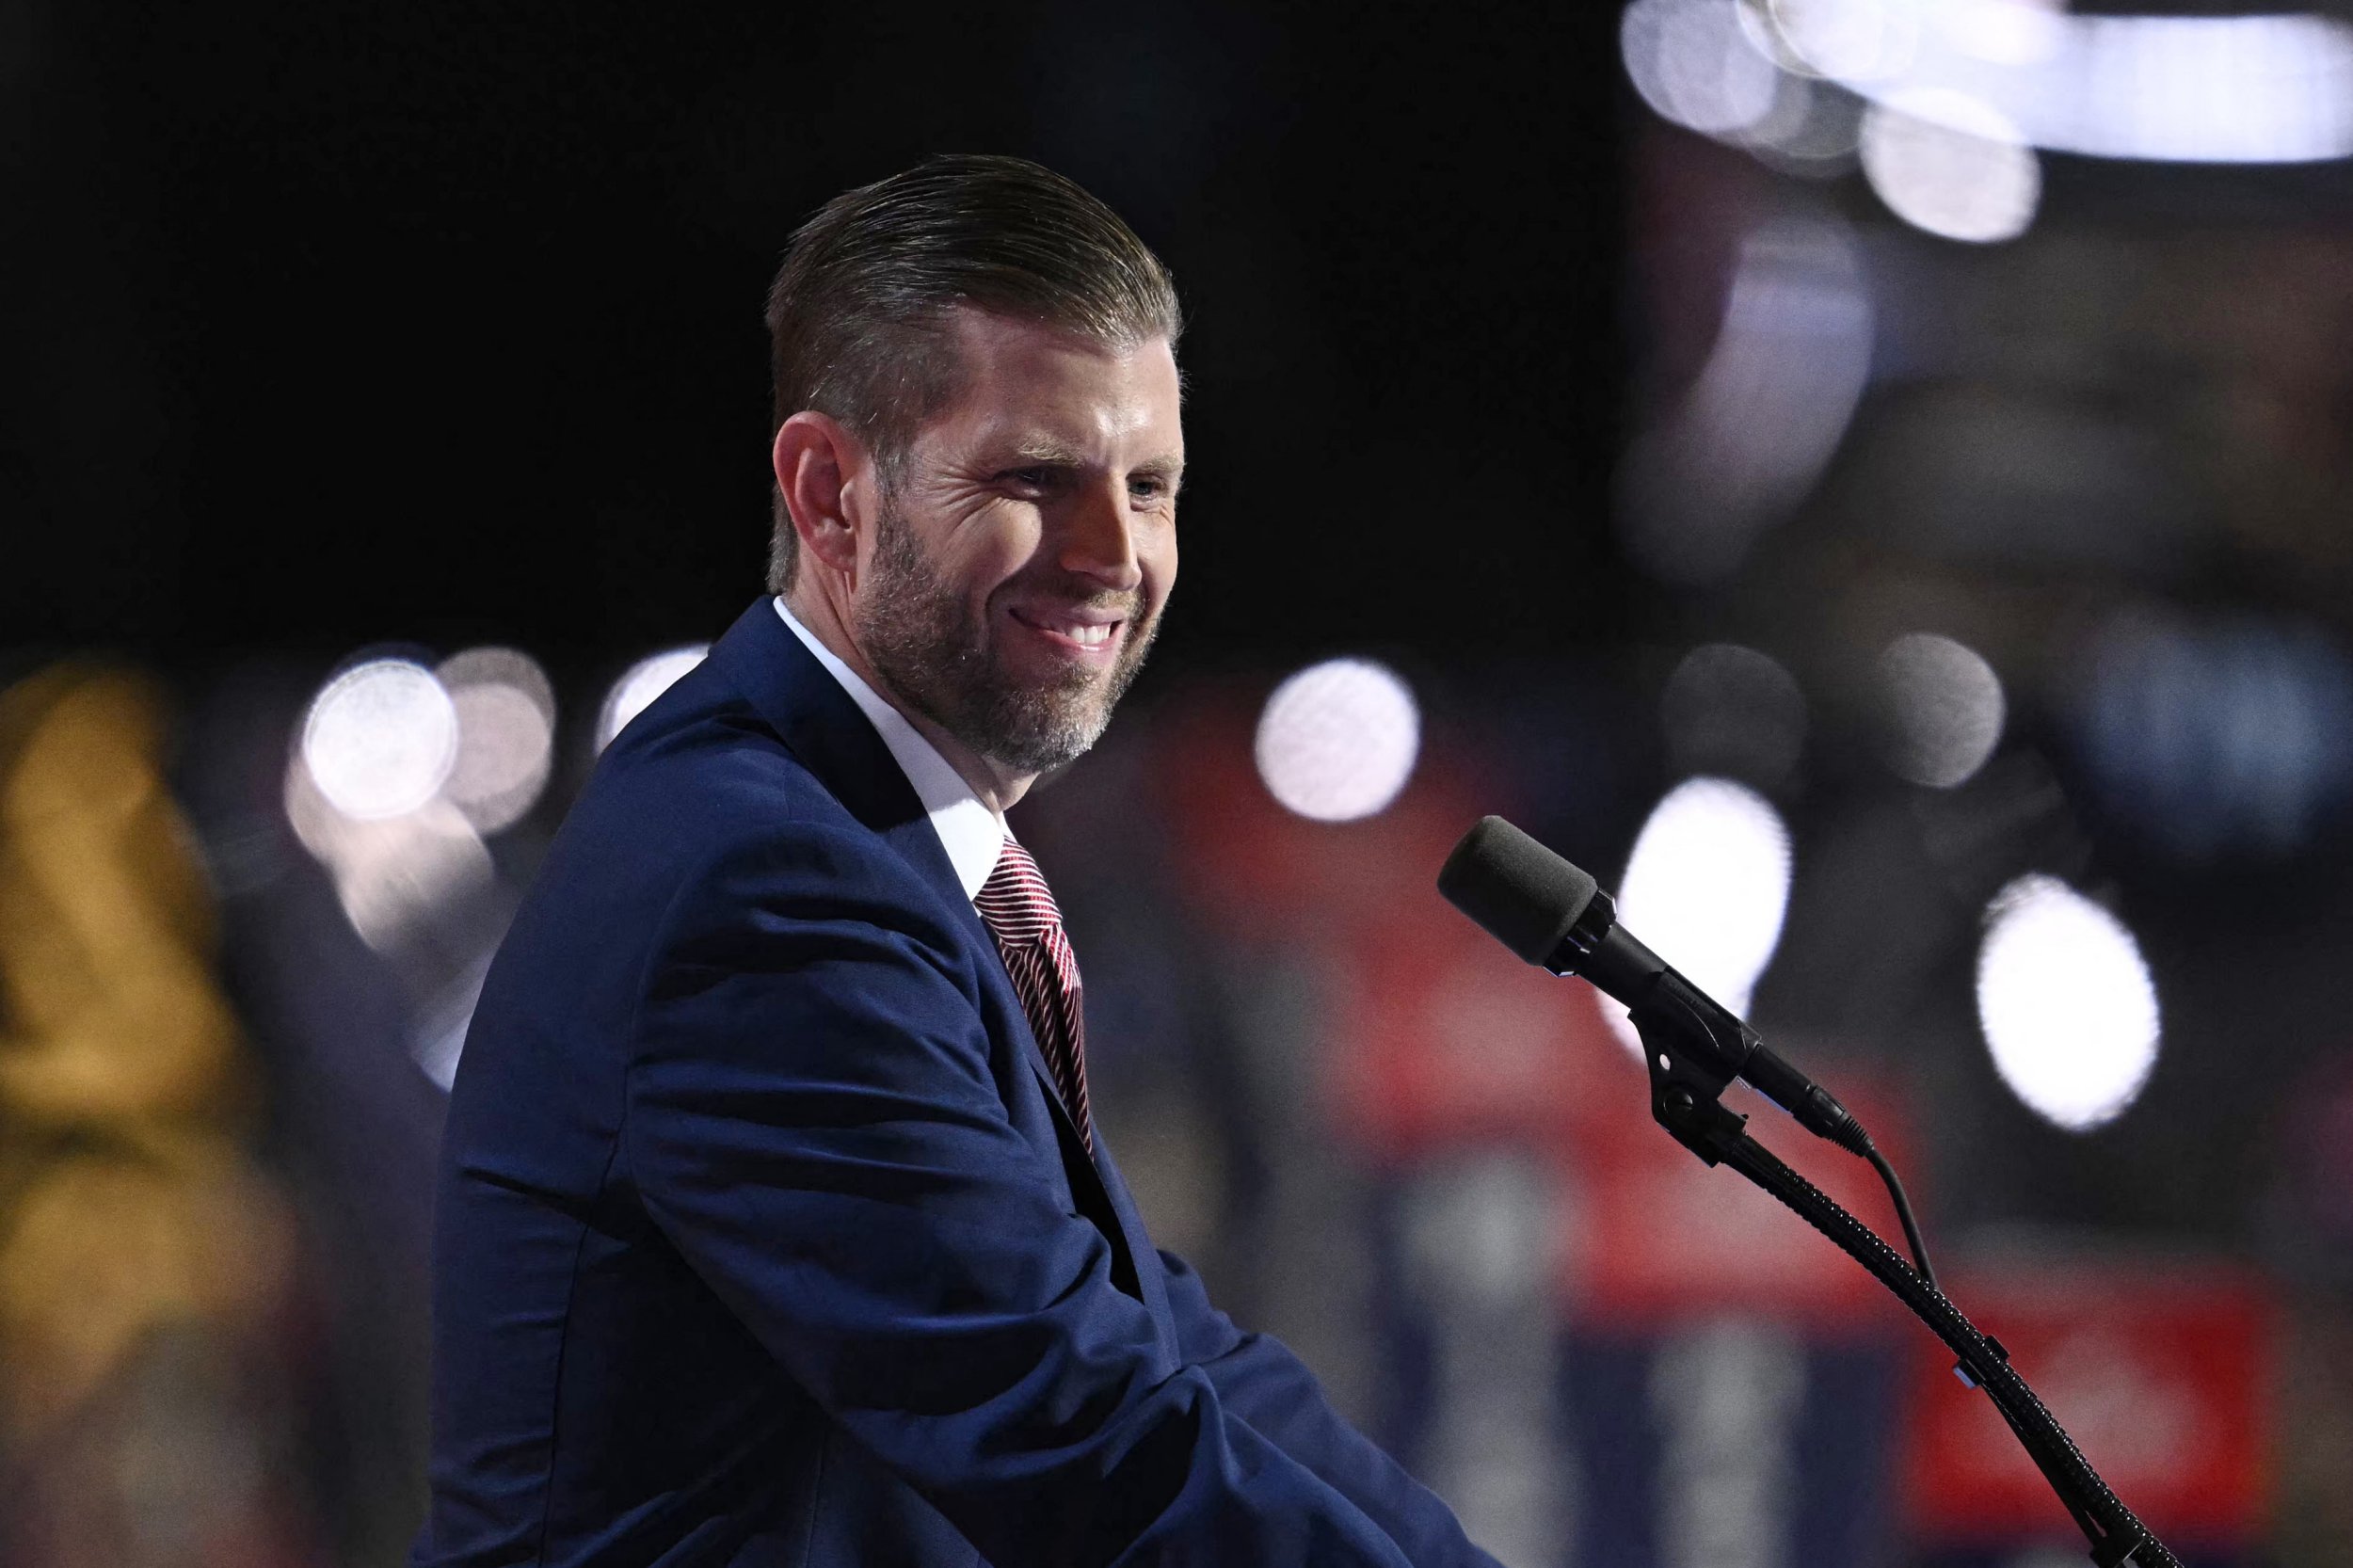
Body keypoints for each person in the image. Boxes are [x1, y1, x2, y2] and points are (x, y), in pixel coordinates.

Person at [415, 154, 1501, 1568]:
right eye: (1036, 478)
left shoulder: (865, 838)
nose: (1117, 554)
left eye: (1152, 484)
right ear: (830, 492)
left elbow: (1166, 1352)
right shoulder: (762, 882)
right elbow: (1073, 1417)